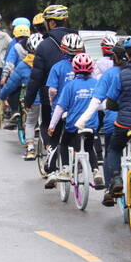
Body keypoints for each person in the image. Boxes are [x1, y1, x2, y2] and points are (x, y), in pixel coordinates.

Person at [78, 33, 131, 209]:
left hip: (123, 124)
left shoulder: (120, 76)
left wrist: (117, 107)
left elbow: (111, 100)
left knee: (113, 150)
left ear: (127, 55)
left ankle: (114, 180)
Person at [24, 4, 77, 149]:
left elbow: (36, 78)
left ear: (52, 23)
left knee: (47, 127)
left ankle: (51, 157)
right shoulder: (78, 42)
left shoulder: (44, 45)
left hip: (50, 98)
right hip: (74, 96)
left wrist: (28, 101)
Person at [49, 53, 104, 187]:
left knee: (63, 144)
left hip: (73, 125)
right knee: (90, 148)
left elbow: (60, 108)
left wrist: (52, 125)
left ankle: (66, 169)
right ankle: (96, 172)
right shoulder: (96, 84)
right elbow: (102, 106)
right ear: (91, 69)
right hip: (91, 125)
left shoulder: (70, 86)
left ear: (74, 68)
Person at [44, 33, 84, 186]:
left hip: (60, 109)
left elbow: (52, 90)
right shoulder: (83, 66)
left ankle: (53, 171)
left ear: (62, 49)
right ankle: (78, 166)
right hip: (77, 110)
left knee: (55, 139)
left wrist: (52, 102)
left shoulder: (57, 67)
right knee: (74, 139)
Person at [1, 33, 44, 160]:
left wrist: (2, 95)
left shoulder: (23, 66)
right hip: (49, 100)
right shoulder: (50, 62)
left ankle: (30, 148)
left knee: (30, 123)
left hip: (33, 100)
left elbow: (10, 84)